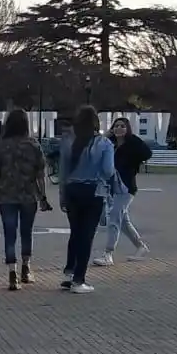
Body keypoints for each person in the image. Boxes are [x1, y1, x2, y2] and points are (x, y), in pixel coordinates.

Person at [0, 108, 50, 290]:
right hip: (28, 195)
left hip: (6, 195)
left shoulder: (1, 146)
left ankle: (11, 273)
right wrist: (43, 196)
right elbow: (40, 174)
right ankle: (26, 268)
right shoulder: (33, 145)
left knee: (9, 234)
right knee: (26, 232)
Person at [58, 104, 116, 293]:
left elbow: (63, 171)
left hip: (72, 189)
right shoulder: (104, 144)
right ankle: (79, 279)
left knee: (75, 232)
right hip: (93, 190)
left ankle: (70, 271)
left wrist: (63, 195)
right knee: (86, 235)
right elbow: (108, 171)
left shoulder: (68, 141)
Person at [92, 116, 152, 266]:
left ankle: (108, 254)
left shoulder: (132, 143)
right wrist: (106, 135)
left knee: (114, 218)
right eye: (116, 126)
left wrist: (136, 160)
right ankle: (141, 247)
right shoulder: (110, 144)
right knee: (123, 221)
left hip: (126, 188)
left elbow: (147, 153)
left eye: (122, 126)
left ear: (128, 129)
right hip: (113, 188)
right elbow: (96, 148)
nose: (119, 129)